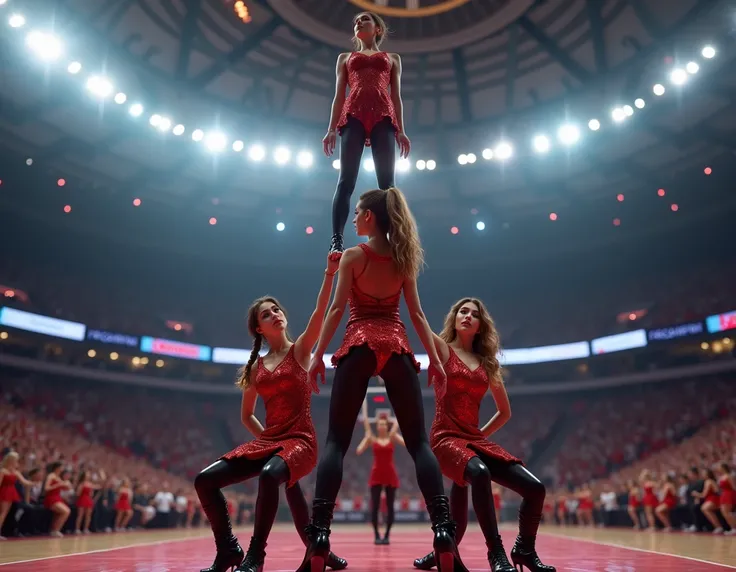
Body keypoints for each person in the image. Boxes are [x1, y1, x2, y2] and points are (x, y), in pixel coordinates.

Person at [298, 187, 462, 572]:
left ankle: (320, 533)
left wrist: (319, 354)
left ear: (370, 217)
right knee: (419, 442)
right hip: (398, 344)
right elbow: (418, 316)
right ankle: (442, 530)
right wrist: (436, 360)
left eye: (357, 213)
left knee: (337, 441)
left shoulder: (354, 257)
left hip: (358, 342)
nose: (353, 219)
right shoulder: (404, 259)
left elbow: (337, 309)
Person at [194, 255, 347, 572]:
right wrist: (266, 442)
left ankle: (256, 557)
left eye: (277, 309)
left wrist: (330, 273)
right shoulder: (255, 368)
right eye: (267, 314)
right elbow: (246, 415)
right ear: (258, 328)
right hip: (271, 442)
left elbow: (321, 311)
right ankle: (228, 551)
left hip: (302, 441)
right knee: (204, 481)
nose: (275, 314)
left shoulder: (301, 349)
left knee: (271, 476)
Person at [412, 298, 555, 572]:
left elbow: (504, 412)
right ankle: (497, 554)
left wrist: (478, 436)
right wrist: (406, 282)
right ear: (454, 319)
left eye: (474, 314)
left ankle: (524, 550)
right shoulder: (442, 350)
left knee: (536, 489)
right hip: (445, 438)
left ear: (480, 326)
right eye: (462, 312)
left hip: (473, 441)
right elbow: (417, 318)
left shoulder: (488, 364)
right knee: (479, 474)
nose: (467, 316)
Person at [323, 11, 411, 256]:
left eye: (364, 19)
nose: (358, 22)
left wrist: (401, 130)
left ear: (378, 29)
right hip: (354, 116)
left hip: (383, 116)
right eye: (356, 21)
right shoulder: (345, 58)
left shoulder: (392, 58)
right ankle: (337, 240)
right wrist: (331, 129)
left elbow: (396, 96)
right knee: (346, 180)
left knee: (388, 185)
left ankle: (392, 237)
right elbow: (339, 96)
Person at [356, 402, 404, 544]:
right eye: (380, 424)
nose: (382, 426)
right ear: (377, 426)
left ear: (386, 425)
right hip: (376, 474)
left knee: (390, 506)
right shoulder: (372, 437)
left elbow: (399, 426)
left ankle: (387, 535)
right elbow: (359, 451)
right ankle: (377, 535)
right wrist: (364, 405)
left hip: (390, 474)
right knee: (375, 506)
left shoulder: (392, 437)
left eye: (384, 424)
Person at [0, 452, 33, 539]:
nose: (17, 462)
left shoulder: (16, 472)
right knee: (2, 513)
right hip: (4, 492)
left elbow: (25, 482)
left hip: (10, 493)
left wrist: (33, 482)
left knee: (4, 513)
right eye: (16, 461)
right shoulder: (3, 471)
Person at [717, 463, 736, 534]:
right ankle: (732, 528)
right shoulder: (721, 476)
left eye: (719, 467)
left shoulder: (729, 476)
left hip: (729, 494)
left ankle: (734, 528)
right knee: (724, 513)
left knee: (727, 512)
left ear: (723, 467)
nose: (718, 469)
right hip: (723, 494)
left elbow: (734, 487)